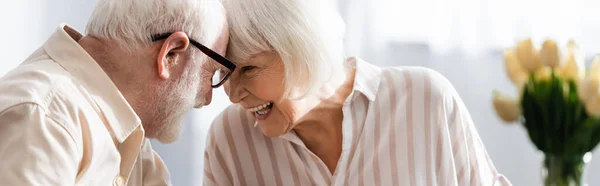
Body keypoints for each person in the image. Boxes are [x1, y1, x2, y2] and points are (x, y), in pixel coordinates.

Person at [203, 0, 512, 185]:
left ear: (301, 47)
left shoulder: (425, 101)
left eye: (249, 69)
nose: (233, 95)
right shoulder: (230, 140)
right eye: (223, 74)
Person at [0, 0, 235, 185]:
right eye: (211, 73)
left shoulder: (131, 141)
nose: (207, 97)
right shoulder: (45, 118)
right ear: (170, 54)